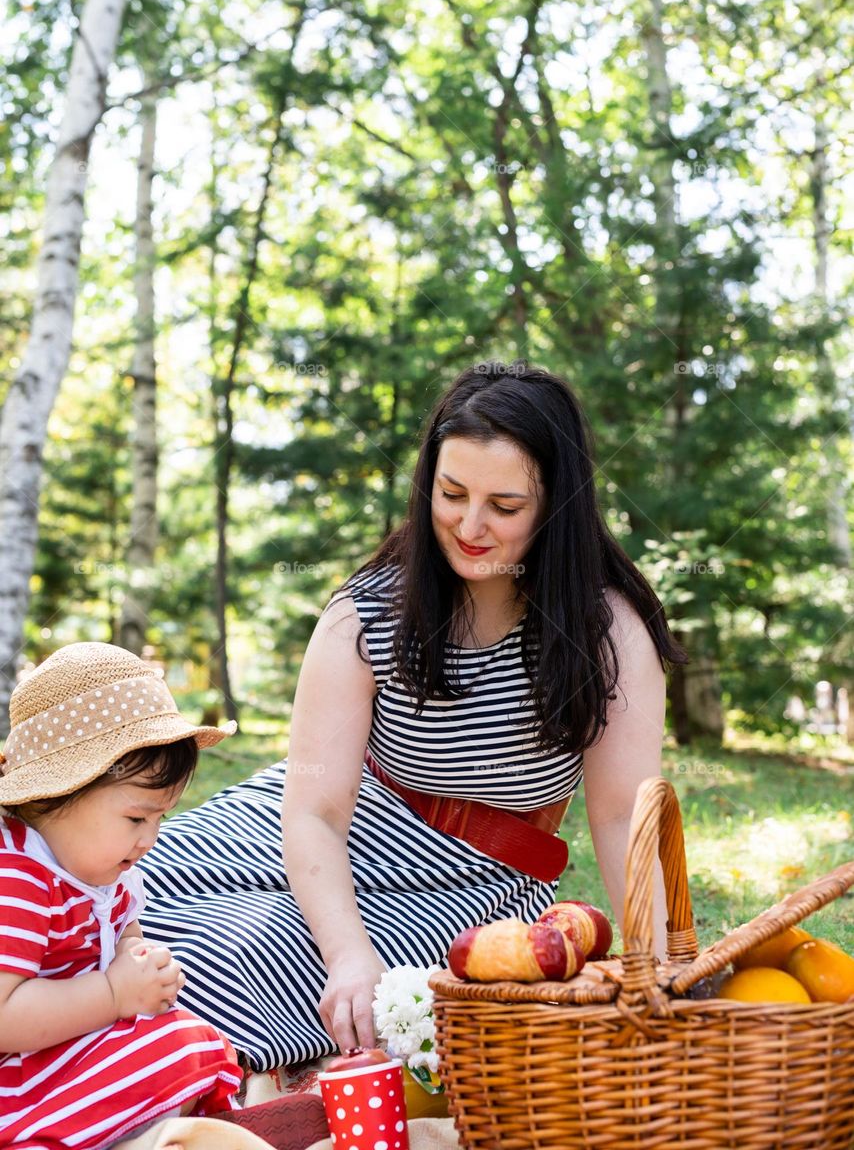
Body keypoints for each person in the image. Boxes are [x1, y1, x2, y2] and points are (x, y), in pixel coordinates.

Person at [138, 362, 685, 1071]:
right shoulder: (367, 612)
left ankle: (116, 1068)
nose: (470, 525)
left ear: (558, 505)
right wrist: (348, 951)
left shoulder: (610, 630)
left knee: (240, 958)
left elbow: (621, 819)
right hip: (324, 826)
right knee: (110, 892)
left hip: (474, 880)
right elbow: (315, 813)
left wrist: (663, 962)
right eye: (451, 493)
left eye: (506, 506)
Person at [0, 641, 244, 1149]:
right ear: (57, 793)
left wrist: (143, 967)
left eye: (161, 818)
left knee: (197, 1041)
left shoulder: (103, 868)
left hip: (67, 1054)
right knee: (174, 1050)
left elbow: (124, 939)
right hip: (15, 1082)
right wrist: (113, 995)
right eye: (136, 817)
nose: (149, 837)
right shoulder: (20, 878)